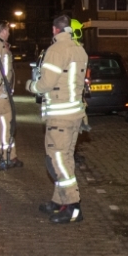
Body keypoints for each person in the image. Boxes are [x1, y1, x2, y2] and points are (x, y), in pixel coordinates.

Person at [26, 14, 88, 224]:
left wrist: (31, 86)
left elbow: (46, 84)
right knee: (65, 158)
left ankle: (73, 206)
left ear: (55, 30)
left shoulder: (56, 50)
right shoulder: (80, 49)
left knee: (58, 160)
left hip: (60, 115)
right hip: (75, 114)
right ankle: (58, 200)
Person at [0, 20, 22, 168]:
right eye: (7, 30)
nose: (9, 33)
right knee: (6, 124)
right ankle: (9, 156)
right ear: (2, 31)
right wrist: (0, 86)